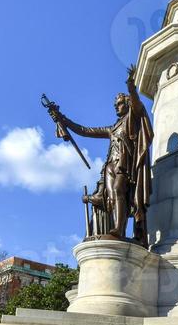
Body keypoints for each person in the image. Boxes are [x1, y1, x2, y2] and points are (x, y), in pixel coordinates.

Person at [48, 67, 154, 247]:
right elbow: (84, 130)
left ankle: (119, 231)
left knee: (120, 191)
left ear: (126, 104)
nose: (116, 106)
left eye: (119, 103)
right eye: (115, 104)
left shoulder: (132, 119)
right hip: (110, 166)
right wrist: (62, 118)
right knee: (111, 198)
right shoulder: (111, 129)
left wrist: (130, 86)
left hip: (124, 166)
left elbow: (137, 104)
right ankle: (116, 230)